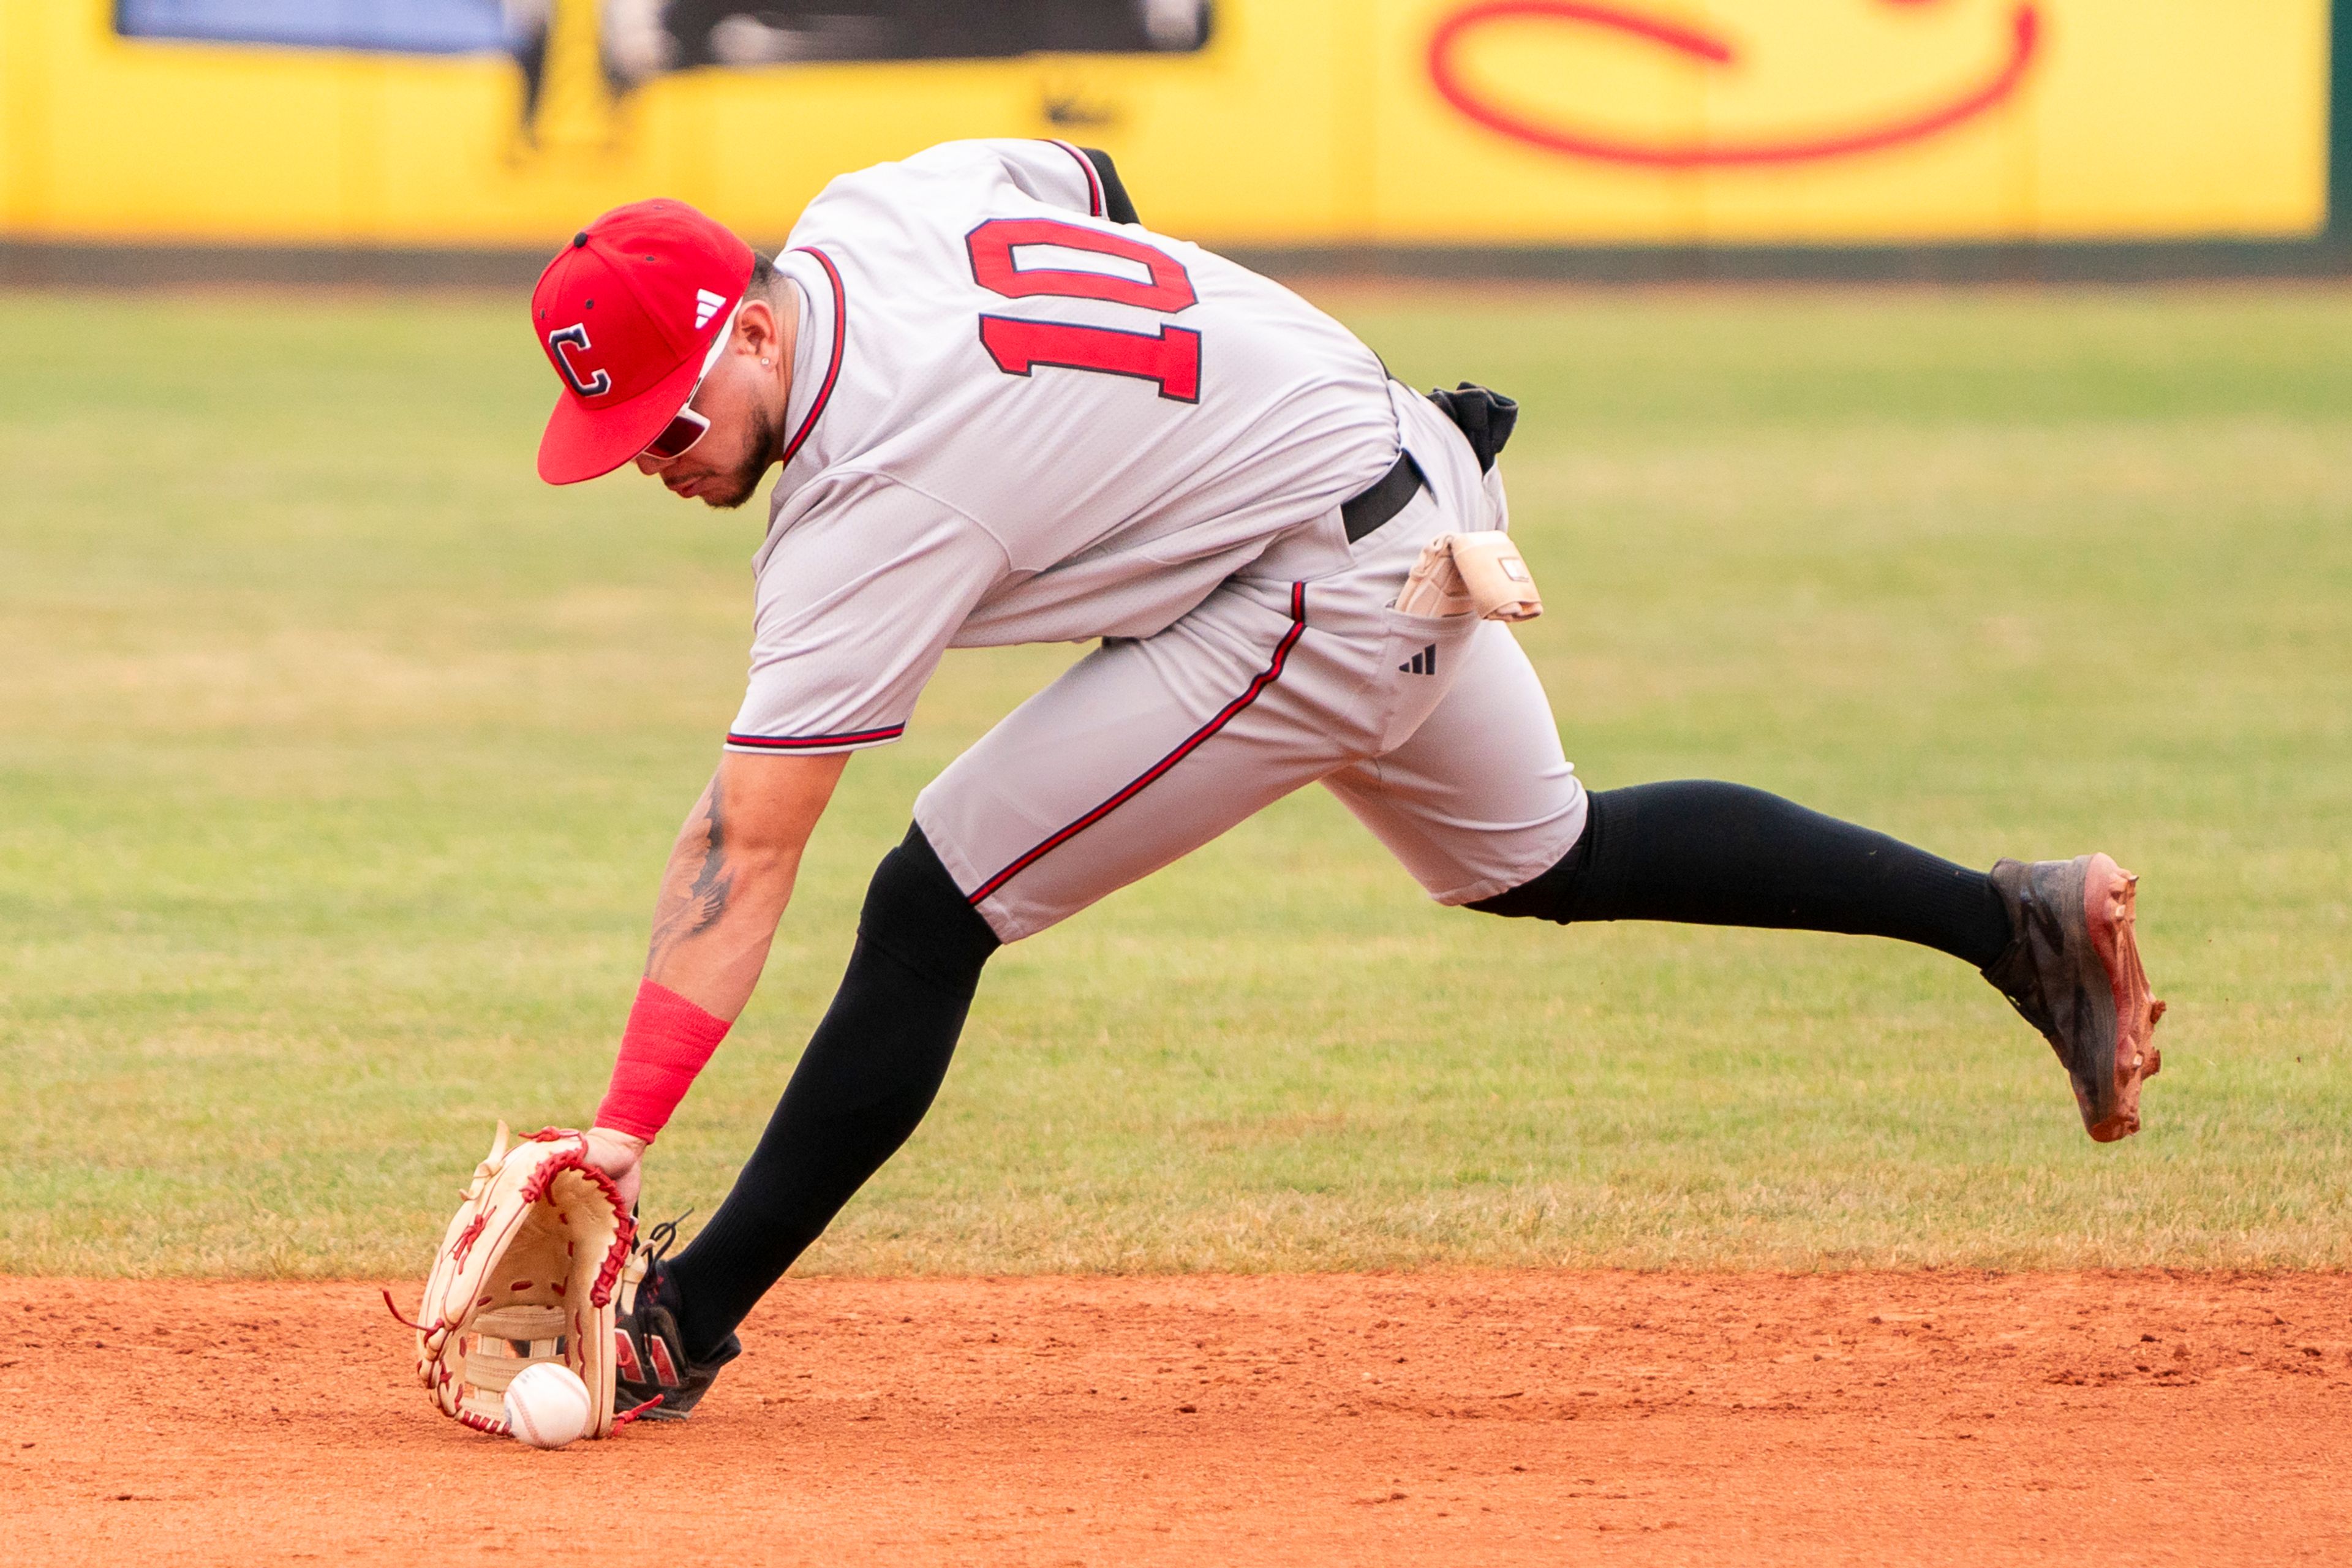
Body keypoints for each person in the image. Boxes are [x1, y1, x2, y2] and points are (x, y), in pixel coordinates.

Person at [525, 140, 2162, 1419]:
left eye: (672, 422)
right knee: (1550, 854)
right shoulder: (871, 210)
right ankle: (2008, 924)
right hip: (1396, 472)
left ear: (746, 323)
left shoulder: (870, 490)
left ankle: (687, 1320)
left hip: (1314, 586)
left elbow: (745, 848)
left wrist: (619, 1131)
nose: (661, 462)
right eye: (626, 442)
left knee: (929, 900)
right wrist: (1167, 449)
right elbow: (1090, 193)